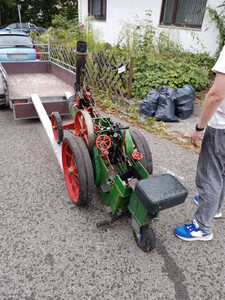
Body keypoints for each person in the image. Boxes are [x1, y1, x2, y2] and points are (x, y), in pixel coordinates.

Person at [174, 46, 225, 241]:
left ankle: (202, 227)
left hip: (221, 127)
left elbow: (216, 95)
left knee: (209, 176)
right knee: (222, 171)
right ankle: (215, 208)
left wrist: (199, 128)